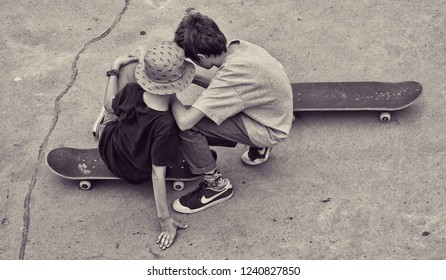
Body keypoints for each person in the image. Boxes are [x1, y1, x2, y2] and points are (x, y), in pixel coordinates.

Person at [170, 12, 294, 214]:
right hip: (274, 112)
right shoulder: (238, 47)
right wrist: (192, 78)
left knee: (186, 126)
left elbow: (185, 121)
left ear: (200, 57)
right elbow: (229, 89)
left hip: (270, 128)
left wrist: (171, 95)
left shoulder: (229, 77)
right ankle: (260, 146)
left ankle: (216, 187)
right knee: (205, 108)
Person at [96, 41, 196, 249]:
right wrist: (164, 220)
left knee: (124, 76)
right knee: (165, 140)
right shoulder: (165, 125)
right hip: (136, 174)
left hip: (111, 148)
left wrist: (115, 68)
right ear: (176, 84)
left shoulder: (132, 91)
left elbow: (107, 105)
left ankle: (107, 120)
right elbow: (157, 175)